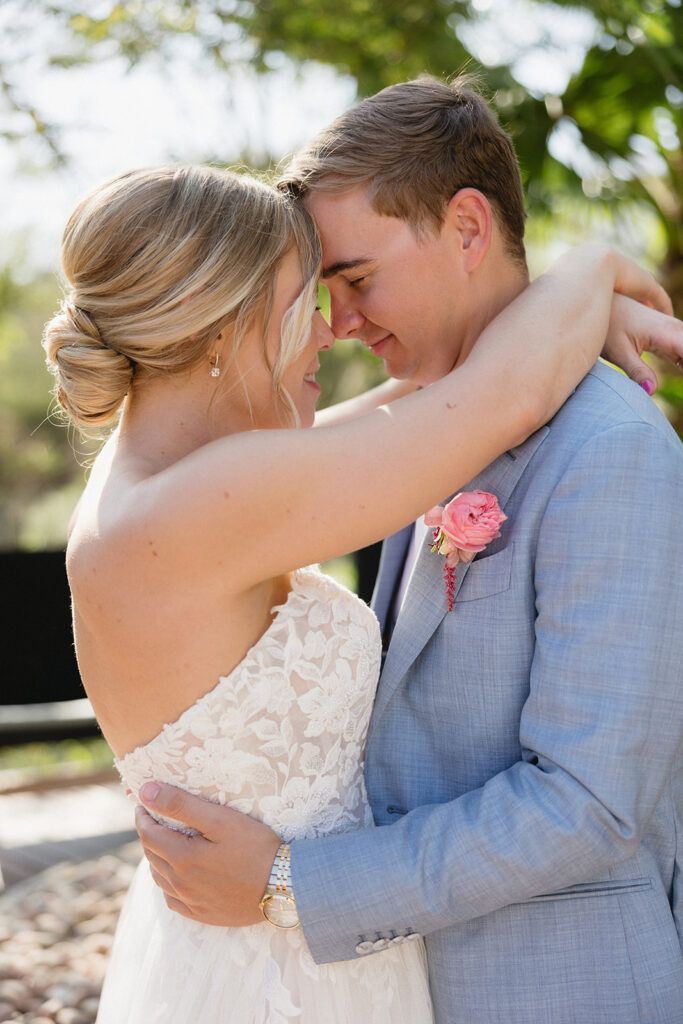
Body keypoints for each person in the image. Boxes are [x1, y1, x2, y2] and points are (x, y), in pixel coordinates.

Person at [133, 79, 683, 1024]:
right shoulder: (428, 433)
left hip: (560, 986)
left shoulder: (609, 450)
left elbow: (588, 803)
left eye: (354, 277)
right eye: (322, 293)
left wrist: (287, 884)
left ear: (467, 228)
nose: (337, 323)